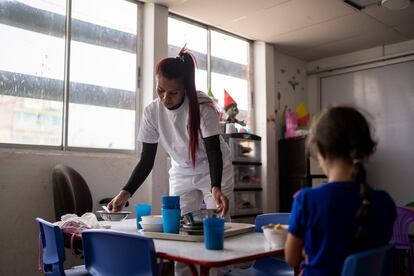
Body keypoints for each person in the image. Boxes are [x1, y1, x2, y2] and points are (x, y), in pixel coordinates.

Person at [285, 106, 396, 275]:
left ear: (321, 151)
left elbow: (291, 259)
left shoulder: (307, 200)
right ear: (365, 150)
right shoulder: (385, 201)